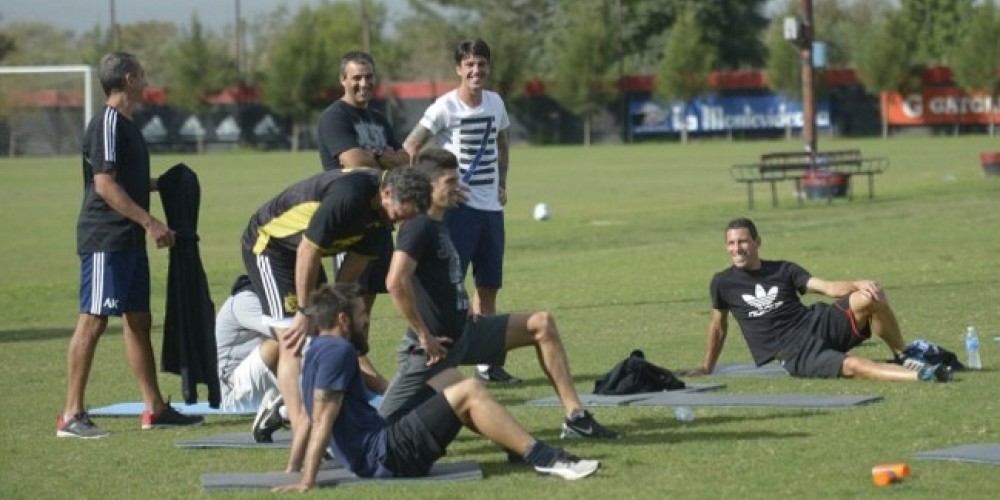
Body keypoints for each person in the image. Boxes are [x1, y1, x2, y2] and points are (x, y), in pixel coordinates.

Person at [379, 149, 620, 440]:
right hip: (433, 350)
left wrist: (462, 303)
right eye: (450, 181)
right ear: (429, 187)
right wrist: (422, 335)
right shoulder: (417, 226)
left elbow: (440, 278)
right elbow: (395, 282)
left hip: (465, 334)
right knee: (381, 426)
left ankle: (576, 418)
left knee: (542, 324)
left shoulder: (441, 224)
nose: (459, 186)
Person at [274, 283, 600, 492]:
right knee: (470, 390)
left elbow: (303, 418)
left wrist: (292, 468)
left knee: (449, 378)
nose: (367, 320)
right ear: (343, 321)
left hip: (381, 445)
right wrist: (307, 480)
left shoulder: (315, 348)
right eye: (361, 315)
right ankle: (541, 456)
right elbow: (322, 420)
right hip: (386, 458)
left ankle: (515, 447)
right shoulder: (340, 351)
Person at [59, 51, 204, 439]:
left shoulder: (127, 124)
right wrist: (151, 221)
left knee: (138, 320)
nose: (145, 79)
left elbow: (124, 180)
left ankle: (154, 408)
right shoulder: (106, 122)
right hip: (106, 237)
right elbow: (104, 185)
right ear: (128, 79)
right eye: (141, 74)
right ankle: (71, 415)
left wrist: (165, 185)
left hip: (129, 239)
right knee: (93, 319)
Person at [240, 167, 430, 460]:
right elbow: (306, 252)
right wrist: (305, 311)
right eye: (400, 215)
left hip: (306, 256)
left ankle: (280, 409)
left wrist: (337, 315)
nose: (401, 223)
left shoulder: (380, 224)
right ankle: (302, 426)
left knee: (327, 337)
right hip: (272, 247)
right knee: (294, 340)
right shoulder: (349, 195)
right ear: (387, 193)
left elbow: (346, 280)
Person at [677, 217, 952, 382]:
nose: (737, 248)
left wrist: (858, 283)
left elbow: (829, 287)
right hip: (794, 352)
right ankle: (921, 376)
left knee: (871, 296)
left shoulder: (784, 269)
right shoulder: (723, 283)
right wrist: (706, 367)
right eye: (731, 243)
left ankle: (903, 354)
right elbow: (718, 327)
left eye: (743, 241)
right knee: (854, 366)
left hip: (817, 322)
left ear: (757, 242)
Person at [402, 39, 519, 384]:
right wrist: (423, 193)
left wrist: (503, 182)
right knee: (451, 286)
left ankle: (488, 363)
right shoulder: (445, 106)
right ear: (458, 69)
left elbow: (502, 143)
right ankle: (441, 356)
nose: (475, 70)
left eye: (481, 64)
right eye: (469, 64)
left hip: (491, 208)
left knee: (489, 285)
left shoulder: (496, 102)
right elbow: (411, 145)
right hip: (459, 210)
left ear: (488, 67)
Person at [215, 275, 389, 442]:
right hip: (234, 393)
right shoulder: (245, 300)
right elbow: (301, 338)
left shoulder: (277, 297)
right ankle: (285, 410)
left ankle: (285, 409)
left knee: (316, 348)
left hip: (262, 381)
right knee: (287, 345)